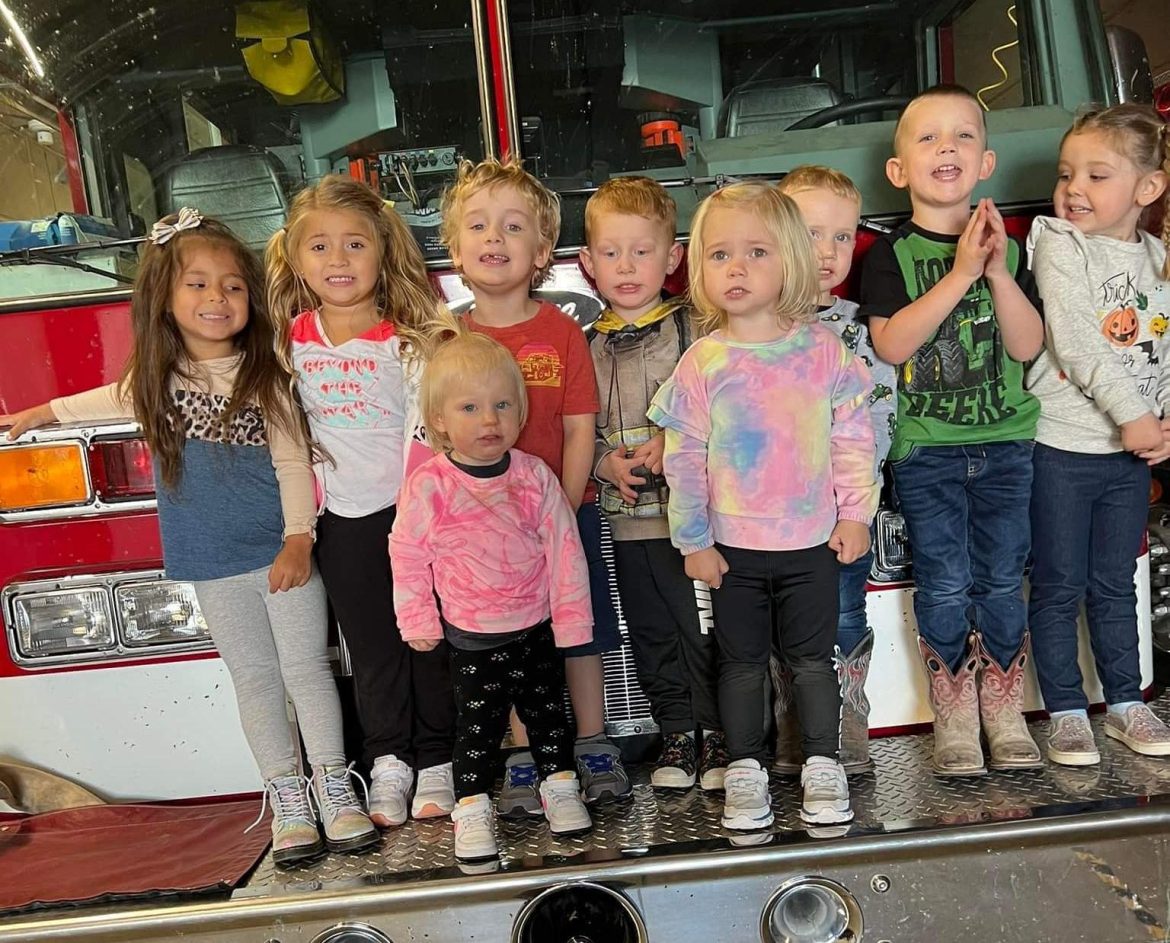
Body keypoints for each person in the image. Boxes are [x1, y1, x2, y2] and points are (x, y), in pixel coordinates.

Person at [0, 209, 377, 865]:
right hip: (211, 561)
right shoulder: (154, 385)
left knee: (308, 671)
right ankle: (288, 800)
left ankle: (336, 789)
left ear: (251, 298)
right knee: (255, 679)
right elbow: (95, 400)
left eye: (232, 285)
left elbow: (294, 462)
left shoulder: (268, 379)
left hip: (280, 554)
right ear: (164, 299)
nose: (216, 298)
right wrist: (37, 412)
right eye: (196, 284)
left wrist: (297, 539)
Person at [648, 182, 878, 829]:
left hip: (810, 545)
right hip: (733, 550)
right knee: (742, 662)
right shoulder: (703, 361)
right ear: (700, 269)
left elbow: (854, 438)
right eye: (720, 255)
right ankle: (747, 767)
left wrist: (856, 512)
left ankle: (822, 764)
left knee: (812, 662)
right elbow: (683, 456)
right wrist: (693, 538)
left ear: (792, 262)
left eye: (756, 252)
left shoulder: (823, 353)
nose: (737, 268)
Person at [858, 84, 1046, 776]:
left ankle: (1002, 708)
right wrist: (961, 269)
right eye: (929, 137)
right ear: (898, 170)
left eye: (963, 136)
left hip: (1007, 446)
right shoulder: (890, 254)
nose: (948, 148)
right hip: (928, 451)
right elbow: (894, 345)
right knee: (943, 581)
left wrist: (995, 271)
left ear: (987, 161)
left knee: (1001, 579)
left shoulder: (1015, 253)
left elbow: (1027, 346)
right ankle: (956, 718)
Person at [439, 157, 631, 813]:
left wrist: (559, 509)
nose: (495, 238)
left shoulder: (561, 333)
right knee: (510, 644)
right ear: (456, 251)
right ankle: (524, 755)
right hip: (482, 533)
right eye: (479, 226)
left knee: (580, 632)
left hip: (562, 517)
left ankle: (593, 740)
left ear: (543, 250)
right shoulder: (448, 338)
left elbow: (580, 429)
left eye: (514, 226)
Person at [266, 176, 459, 828]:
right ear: (296, 259)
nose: (338, 259)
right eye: (319, 246)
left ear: (383, 251)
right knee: (372, 650)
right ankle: (389, 762)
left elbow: (429, 428)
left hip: (416, 518)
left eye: (354, 244)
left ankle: (437, 760)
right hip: (342, 525)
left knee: (427, 641)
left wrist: (420, 512)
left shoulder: (411, 339)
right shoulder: (289, 342)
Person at [390, 333, 593, 862]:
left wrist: (572, 624)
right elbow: (408, 553)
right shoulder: (429, 484)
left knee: (550, 717)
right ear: (439, 420)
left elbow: (565, 550)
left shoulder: (533, 477)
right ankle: (473, 807)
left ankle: (560, 787)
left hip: (535, 628)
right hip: (471, 637)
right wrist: (418, 619)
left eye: (502, 405)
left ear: (520, 412)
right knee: (477, 730)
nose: (489, 420)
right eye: (470, 407)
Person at [1026, 103, 1170, 765]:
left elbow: (1161, 351)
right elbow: (1077, 340)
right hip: (1062, 445)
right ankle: (1063, 709)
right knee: (1059, 584)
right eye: (1067, 173)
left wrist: (1164, 423)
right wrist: (1132, 414)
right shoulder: (1057, 241)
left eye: (1096, 174)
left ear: (1147, 188)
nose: (1073, 187)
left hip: (1128, 456)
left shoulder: (1159, 256)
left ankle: (1126, 702)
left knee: (1115, 583)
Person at [580, 176, 726, 792]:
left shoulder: (700, 330)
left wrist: (673, 441)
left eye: (642, 252)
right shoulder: (585, 346)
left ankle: (718, 733)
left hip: (693, 519)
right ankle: (674, 734)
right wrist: (600, 464)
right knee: (649, 629)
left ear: (673, 258)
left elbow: (727, 402)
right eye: (611, 253)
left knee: (704, 625)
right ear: (587, 265)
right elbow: (572, 426)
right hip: (626, 519)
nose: (627, 266)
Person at [773, 166, 898, 775]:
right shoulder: (751, 328)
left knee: (847, 613)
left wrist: (854, 500)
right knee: (778, 618)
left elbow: (880, 416)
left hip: (844, 511)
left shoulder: (858, 327)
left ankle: (845, 722)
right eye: (810, 232)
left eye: (843, 237)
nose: (827, 251)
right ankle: (794, 725)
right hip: (769, 517)